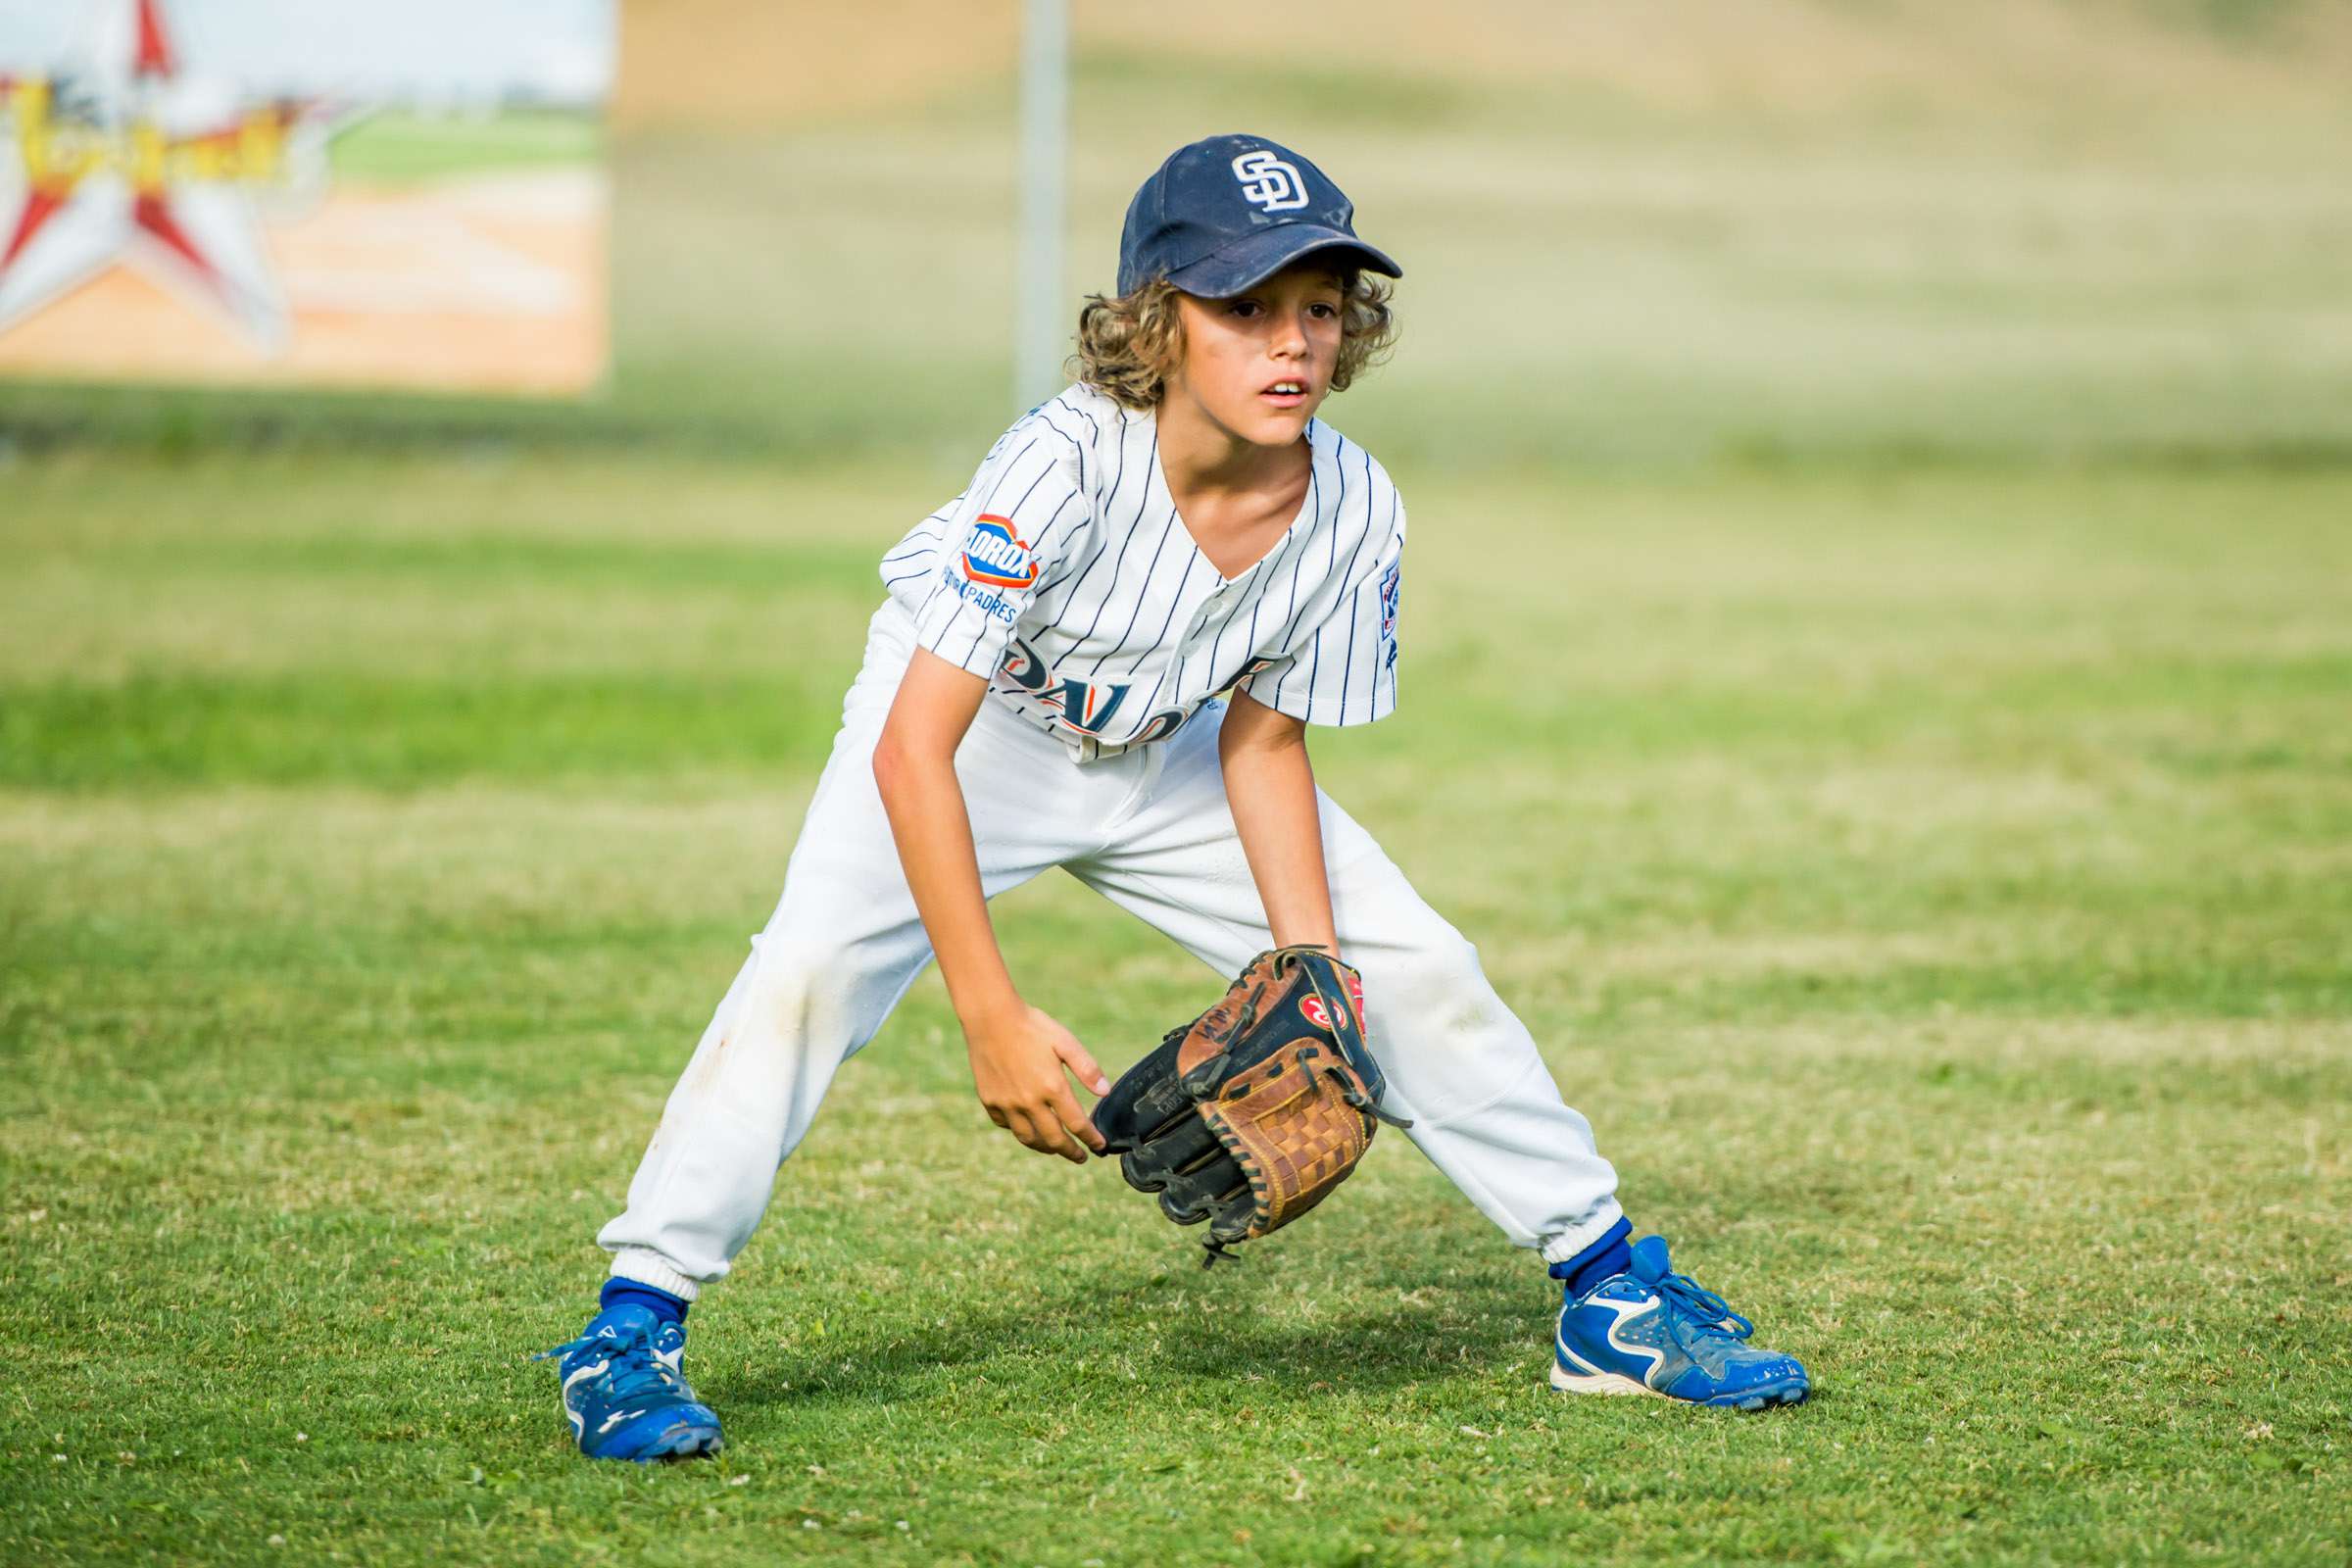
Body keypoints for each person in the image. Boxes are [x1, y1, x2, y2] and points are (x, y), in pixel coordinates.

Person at [538, 133, 1810, 1461]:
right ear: (1157, 323)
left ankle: (1607, 1296)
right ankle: (630, 1332)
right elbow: (914, 751)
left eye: (1319, 308)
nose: (1292, 344)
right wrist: (991, 1016)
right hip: (983, 738)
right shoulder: (1063, 465)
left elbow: (1263, 743)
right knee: (801, 975)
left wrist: (1313, 970)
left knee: (1416, 970)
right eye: (1246, 307)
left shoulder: (1354, 504)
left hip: (1174, 750)